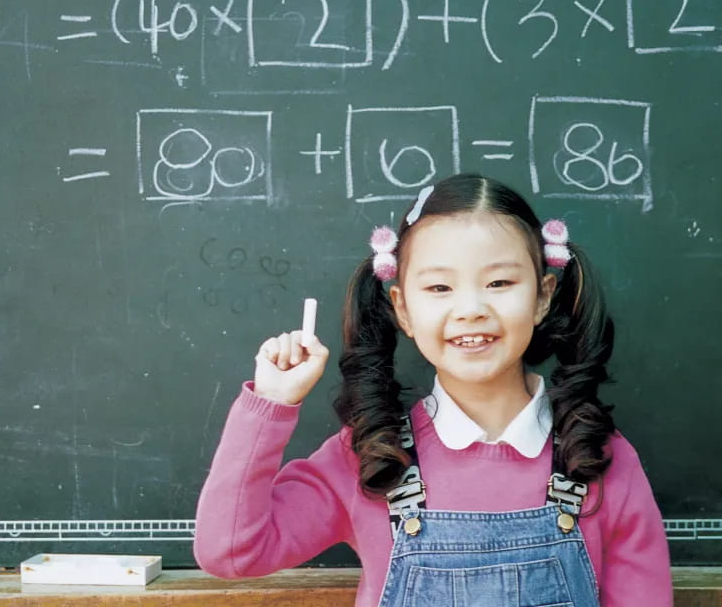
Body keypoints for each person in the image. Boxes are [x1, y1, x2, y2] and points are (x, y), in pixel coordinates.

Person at [194, 173, 672, 607]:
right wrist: (271, 404)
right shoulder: (369, 458)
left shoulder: (601, 462)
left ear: (543, 295)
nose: (470, 309)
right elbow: (231, 553)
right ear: (402, 308)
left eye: (500, 282)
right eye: (440, 288)